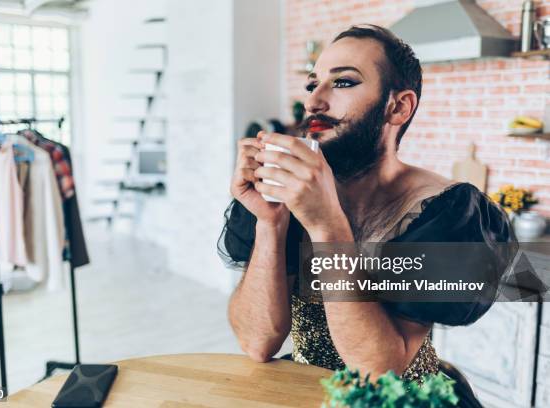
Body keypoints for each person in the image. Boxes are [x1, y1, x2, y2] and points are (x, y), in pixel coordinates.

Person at [217, 24, 515, 389]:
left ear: (398, 107)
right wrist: (269, 223)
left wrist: (327, 227)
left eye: (342, 82)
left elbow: (378, 371)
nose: (314, 101)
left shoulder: (447, 211)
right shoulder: (291, 196)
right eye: (313, 84)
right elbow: (257, 342)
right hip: (305, 393)